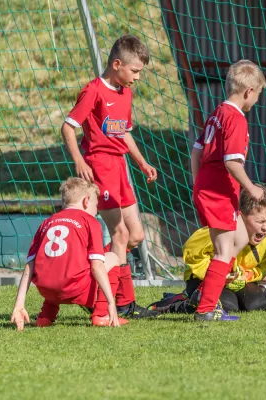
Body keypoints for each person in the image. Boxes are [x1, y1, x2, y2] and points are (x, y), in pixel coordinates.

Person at [61, 35, 158, 318]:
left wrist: (141, 162)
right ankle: (120, 303)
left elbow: (123, 131)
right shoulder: (93, 91)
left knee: (135, 236)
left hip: (120, 166)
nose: (138, 77)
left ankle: (90, 272)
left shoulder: (124, 90)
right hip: (99, 167)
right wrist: (79, 160)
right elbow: (68, 128)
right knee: (120, 233)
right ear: (117, 64)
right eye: (135, 71)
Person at [190, 60, 266, 321]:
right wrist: (252, 188)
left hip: (208, 186)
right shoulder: (236, 118)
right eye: (258, 94)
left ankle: (206, 291)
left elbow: (197, 151)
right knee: (224, 251)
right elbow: (232, 162)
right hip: (219, 190)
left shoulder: (217, 113)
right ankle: (206, 309)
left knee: (239, 239)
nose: (257, 100)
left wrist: (197, 183)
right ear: (249, 91)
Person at [10, 178, 124, 330]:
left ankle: (45, 316)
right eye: (96, 205)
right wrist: (111, 302)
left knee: (57, 265)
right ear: (86, 200)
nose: (96, 211)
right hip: (74, 290)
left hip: (46, 290)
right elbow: (97, 266)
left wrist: (19, 305)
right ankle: (102, 315)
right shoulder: (90, 222)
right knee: (112, 257)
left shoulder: (46, 222)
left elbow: (30, 265)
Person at [148, 186, 266, 314]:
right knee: (228, 307)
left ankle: (231, 299)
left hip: (239, 283)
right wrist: (216, 273)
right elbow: (191, 251)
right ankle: (179, 303)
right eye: (260, 222)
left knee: (260, 303)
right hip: (205, 279)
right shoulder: (223, 230)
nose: (265, 228)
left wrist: (248, 275)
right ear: (242, 216)